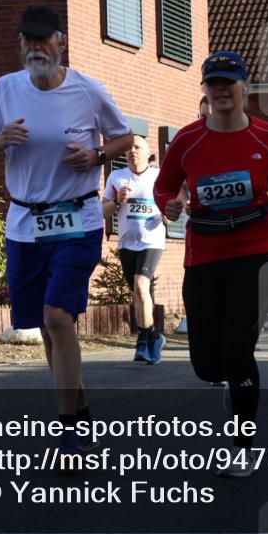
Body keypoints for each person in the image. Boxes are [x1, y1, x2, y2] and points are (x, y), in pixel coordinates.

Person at [0, 5, 133, 454]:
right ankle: (78, 410)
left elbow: (123, 138)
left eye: (43, 40)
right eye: (27, 40)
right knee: (47, 326)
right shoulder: (4, 90)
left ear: (61, 43)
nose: (35, 48)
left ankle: (70, 433)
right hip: (25, 222)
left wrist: (97, 157)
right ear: (20, 45)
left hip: (78, 217)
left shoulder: (87, 90)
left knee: (59, 316)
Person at [154, 51, 268, 476]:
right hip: (204, 253)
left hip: (255, 250)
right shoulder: (187, 141)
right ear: (205, 89)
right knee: (207, 364)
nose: (222, 89)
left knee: (238, 349)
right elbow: (164, 186)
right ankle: (228, 382)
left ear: (245, 87)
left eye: (230, 82)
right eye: (214, 83)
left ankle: (243, 444)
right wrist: (168, 205)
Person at [103, 135, 166, 363]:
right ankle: (153, 337)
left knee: (141, 286)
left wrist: (169, 213)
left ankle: (143, 339)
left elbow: (173, 200)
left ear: (148, 152)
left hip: (152, 240)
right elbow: (102, 212)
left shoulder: (158, 176)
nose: (133, 152)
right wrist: (118, 201)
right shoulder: (116, 177)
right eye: (129, 149)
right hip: (127, 243)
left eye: (137, 147)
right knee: (138, 294)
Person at [174, 96, 212, 337]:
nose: (205, 121)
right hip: (199, 227)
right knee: (198, 276)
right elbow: (172, 182)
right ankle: (196, 318)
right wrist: (183, 200)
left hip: (234, 228)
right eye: (201, 116)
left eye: (209, 116)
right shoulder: (189, 142)